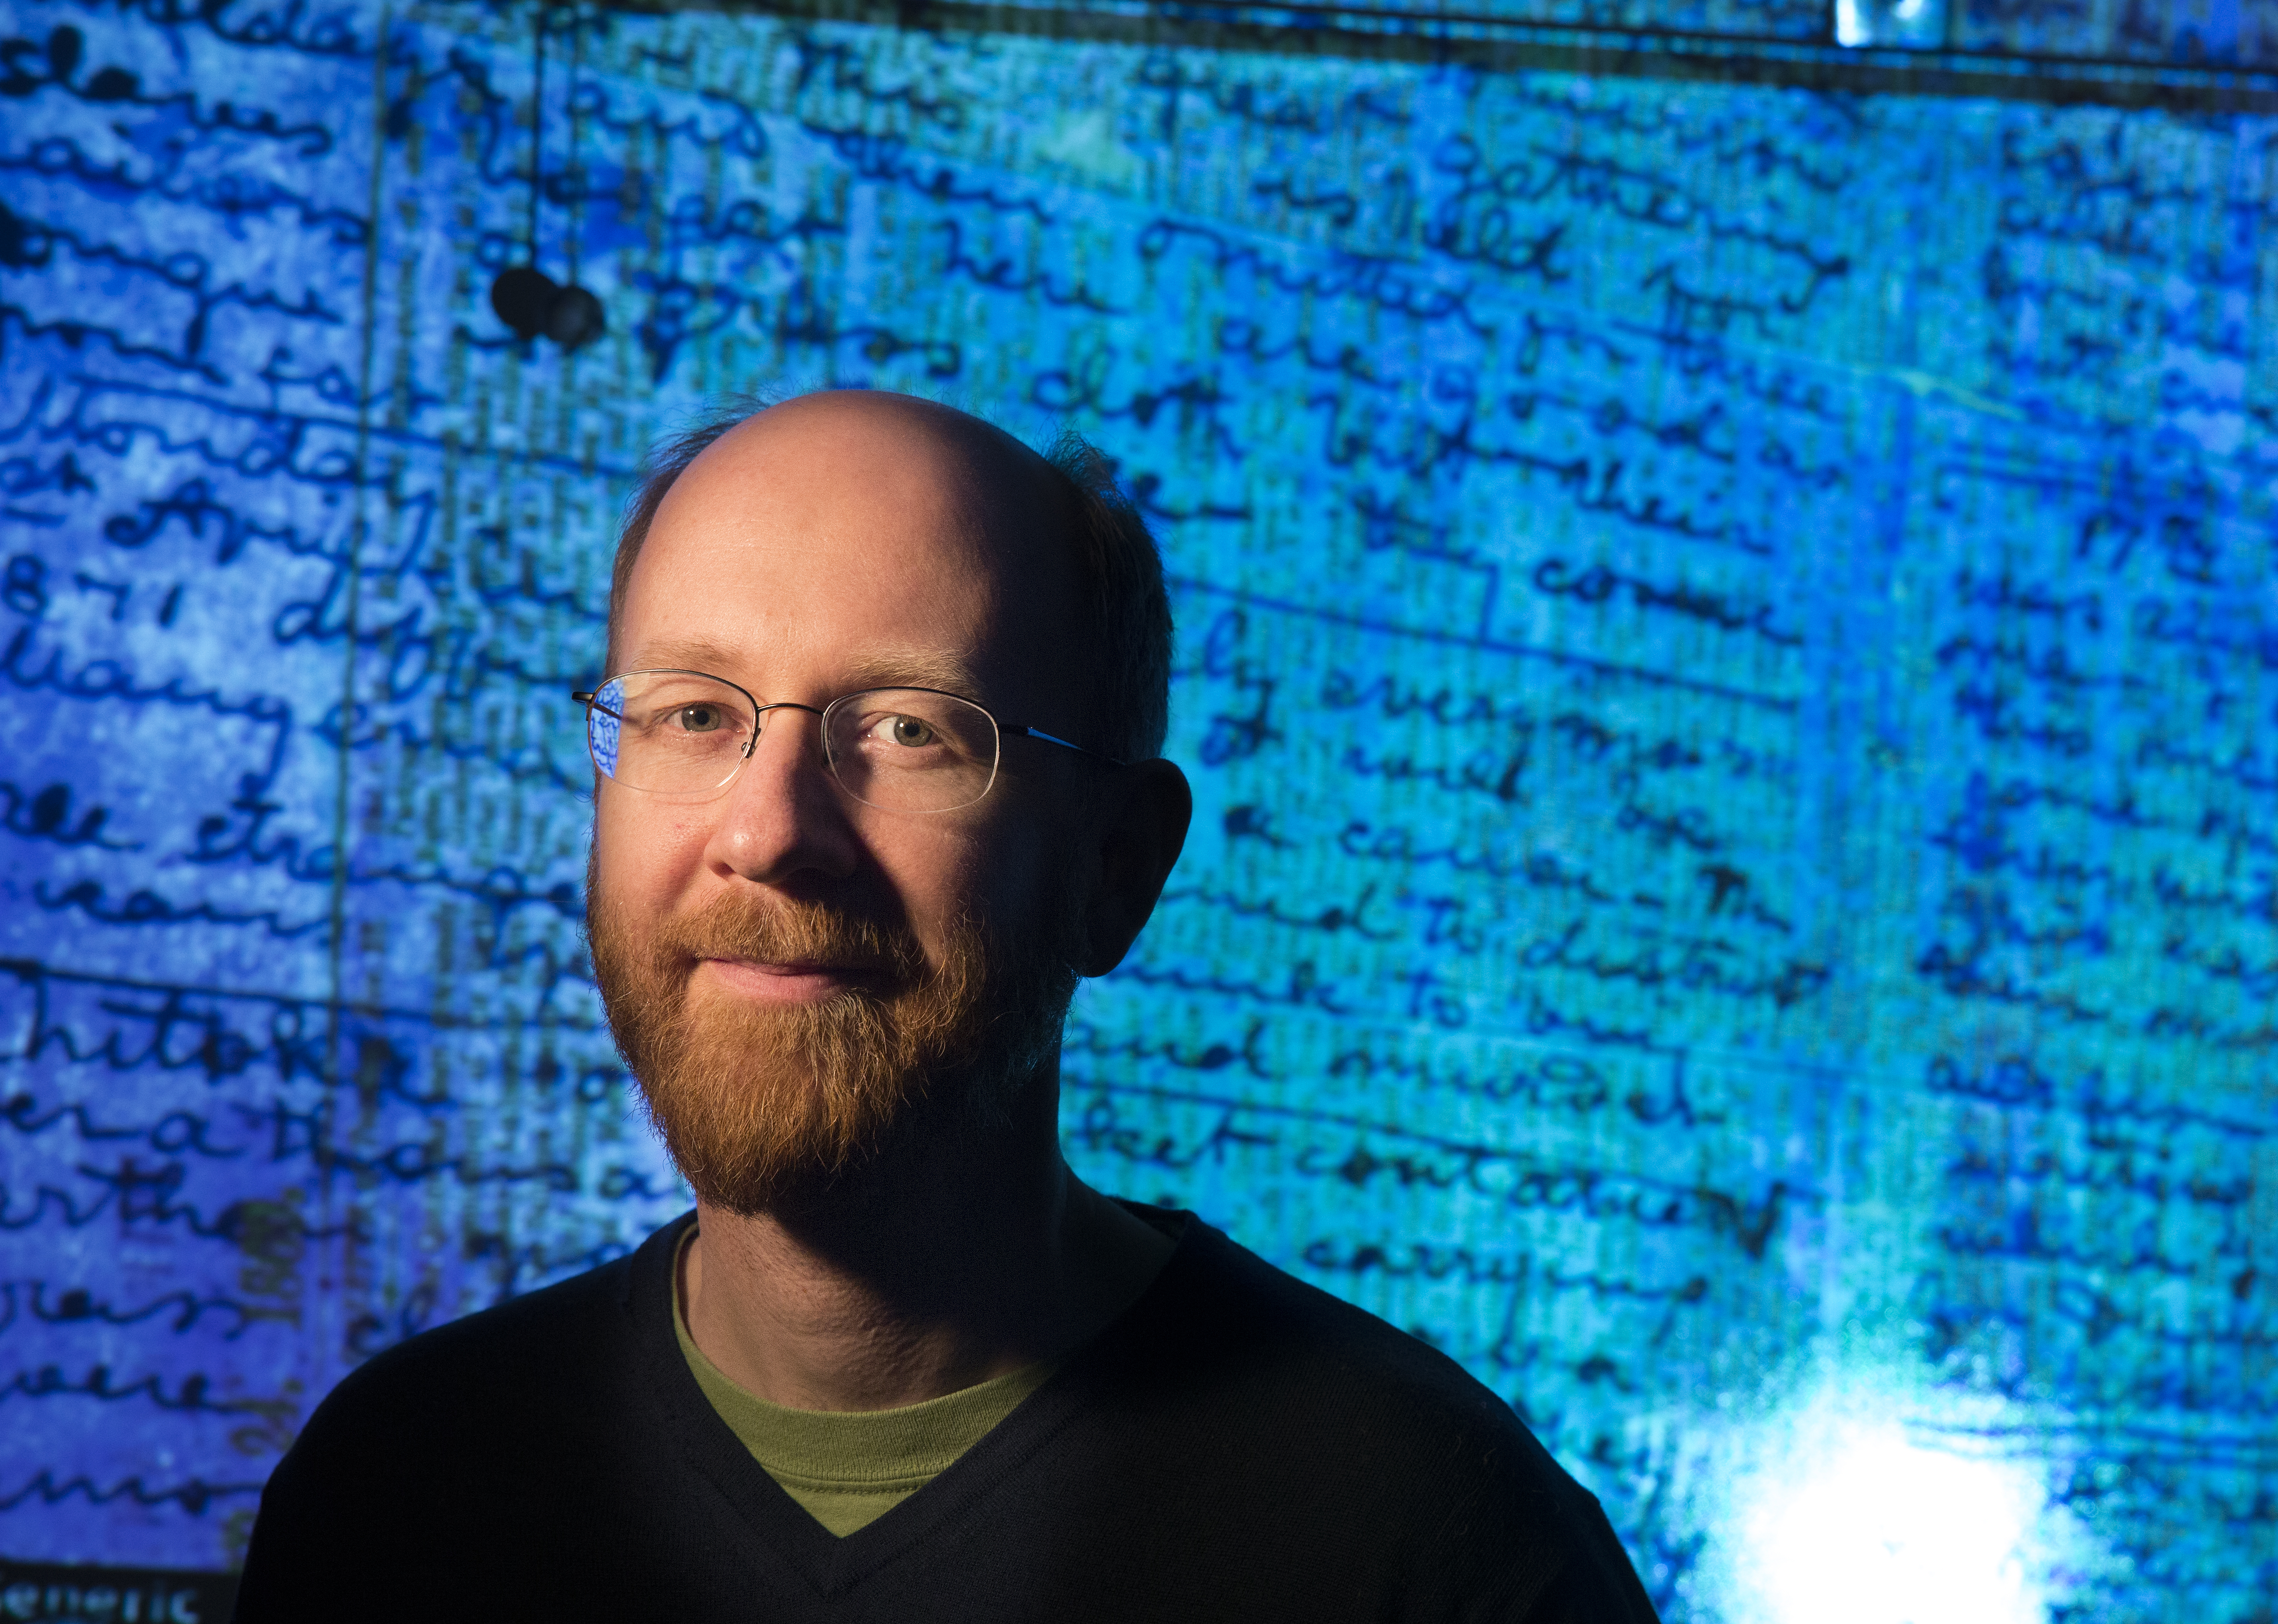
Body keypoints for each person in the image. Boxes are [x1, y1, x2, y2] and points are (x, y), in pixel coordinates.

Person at [232, 391, 1659, 1622]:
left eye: (910, 730)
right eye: (694, 713)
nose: (769, 830)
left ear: (1117, 870)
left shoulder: (1439, 1547)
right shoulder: (390, 1497)